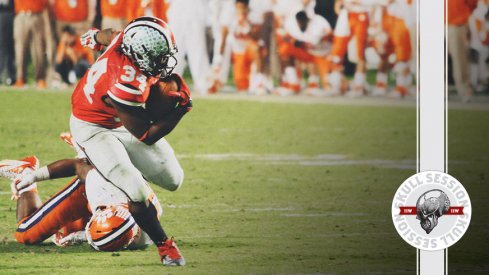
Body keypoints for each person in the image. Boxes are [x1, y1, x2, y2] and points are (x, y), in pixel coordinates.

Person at [75, 16, 191, 266]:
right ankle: (165, 247)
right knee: (136, 190)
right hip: (94, 128)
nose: (165, 61)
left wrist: (94, 37)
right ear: (140, 55)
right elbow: (146, 135)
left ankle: (119, 172)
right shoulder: (125, 82)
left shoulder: (125, 40)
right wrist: (179, 111)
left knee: (174, 180)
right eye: (159, 57)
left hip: (122, 118)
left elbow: (111, 33)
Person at [0, 152, 162, 251]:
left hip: (103, 198)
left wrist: (79, 236)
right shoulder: (98, 185)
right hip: (86, 191)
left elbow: (104, 235)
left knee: (70, 233)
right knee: (26, 234)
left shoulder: (145, 235)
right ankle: (25, 169)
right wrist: (32, 177)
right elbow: (77, 166)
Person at [12, 0, 48, 89]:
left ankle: (40, 78)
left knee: (38, 49)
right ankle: (20, 78)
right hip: (21, 15)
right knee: (20, 49)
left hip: (37, 15)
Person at [0, 0, 16, 86]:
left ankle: (11, 75)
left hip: (10, 12)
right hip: (2, 11)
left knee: (10, 47)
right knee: (2, 47)